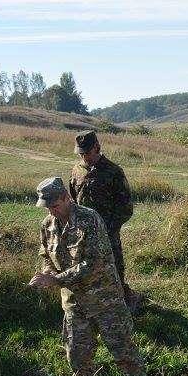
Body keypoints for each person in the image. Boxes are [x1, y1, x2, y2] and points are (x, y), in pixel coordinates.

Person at [29, 177, 159, 376]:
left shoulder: (90, 219)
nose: (51, 211)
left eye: (55, 205)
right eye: (47, 207)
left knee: (124, 350)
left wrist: (56, 280)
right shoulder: (47, 225)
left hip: (105, 301)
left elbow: (93, 264)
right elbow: (45, 253)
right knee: (77, 356)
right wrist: (47, 271)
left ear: (67, 198)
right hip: (74, 304)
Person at [70, 130, 141, 312]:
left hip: (108, 232)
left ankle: (122, 300)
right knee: (85, 268)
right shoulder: (76, 170)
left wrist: (108, 228)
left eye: (87, 152)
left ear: (97, 148)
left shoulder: (114, 171)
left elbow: (126, 208)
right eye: (81, 153)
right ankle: (92, 301)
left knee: (114, 267)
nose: (84, 157)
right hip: (83, 233)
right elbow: (73, 201)